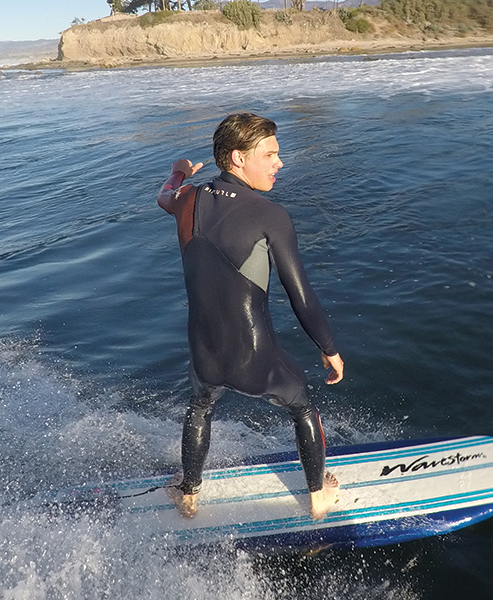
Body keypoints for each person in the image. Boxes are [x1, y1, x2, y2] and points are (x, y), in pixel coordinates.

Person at [156, 112, 344, 520]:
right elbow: (302, 297)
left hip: (204, 356)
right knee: (303, 407)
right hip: (255, 362)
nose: (280, 162)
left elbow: (163, 195)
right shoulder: (270, 215)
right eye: (271, 154)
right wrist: (329, 348)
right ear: (239, 158)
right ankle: (318, 498)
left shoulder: (187, 199)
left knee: (201, 406)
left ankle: (188, 493)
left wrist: (178, 171)